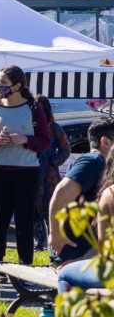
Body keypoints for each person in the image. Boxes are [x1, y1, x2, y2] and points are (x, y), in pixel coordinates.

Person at [0, 65, 51, 270]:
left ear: (18, 85)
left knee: (24, 220)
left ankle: (25, 265)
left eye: (3, 83)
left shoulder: (33, 107)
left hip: (26, 171)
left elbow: (45, 141)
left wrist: (25, 140)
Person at [48, 118, 114, 284]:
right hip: (77, 255)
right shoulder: (94, 162)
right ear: (105, 142)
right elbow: (60, 193)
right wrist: (55, 234)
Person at [33, 96, 71, 251]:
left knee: (51, 207)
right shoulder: (30, 126)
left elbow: (66, 149)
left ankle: (53, 240)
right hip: (32, 170)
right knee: (34, 209)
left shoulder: (55, 127)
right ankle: (38, 241)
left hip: (49, 175)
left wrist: (53, 161)